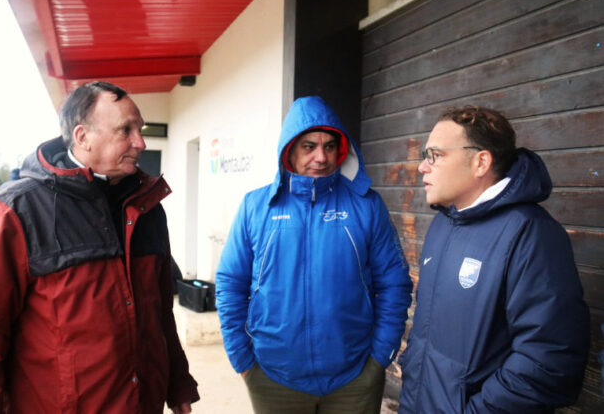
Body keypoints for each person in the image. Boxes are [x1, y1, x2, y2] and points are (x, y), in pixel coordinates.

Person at [0, 81, 199, 413]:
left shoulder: (149, 208)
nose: (140, 142)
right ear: (82, 137)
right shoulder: (17, 211)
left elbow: (160, 312)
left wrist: (177, 383)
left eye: (140, 129)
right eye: (126, 130)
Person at [215, 96, 412, 413]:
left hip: (354, 378)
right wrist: (242, 359)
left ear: (341, 150)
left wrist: (379, 357)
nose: (321, 157)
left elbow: (395, 283)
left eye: (329, 146)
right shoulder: (256, 207)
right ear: (289, 149)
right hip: (273, 377)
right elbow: (229, 283)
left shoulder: (366, 205)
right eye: (309, 146)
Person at [398, 106, 590, 413]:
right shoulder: (444, 224)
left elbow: (549, 361)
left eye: (435, 154)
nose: (422, 166)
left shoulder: (532, 234)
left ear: (480, 162)